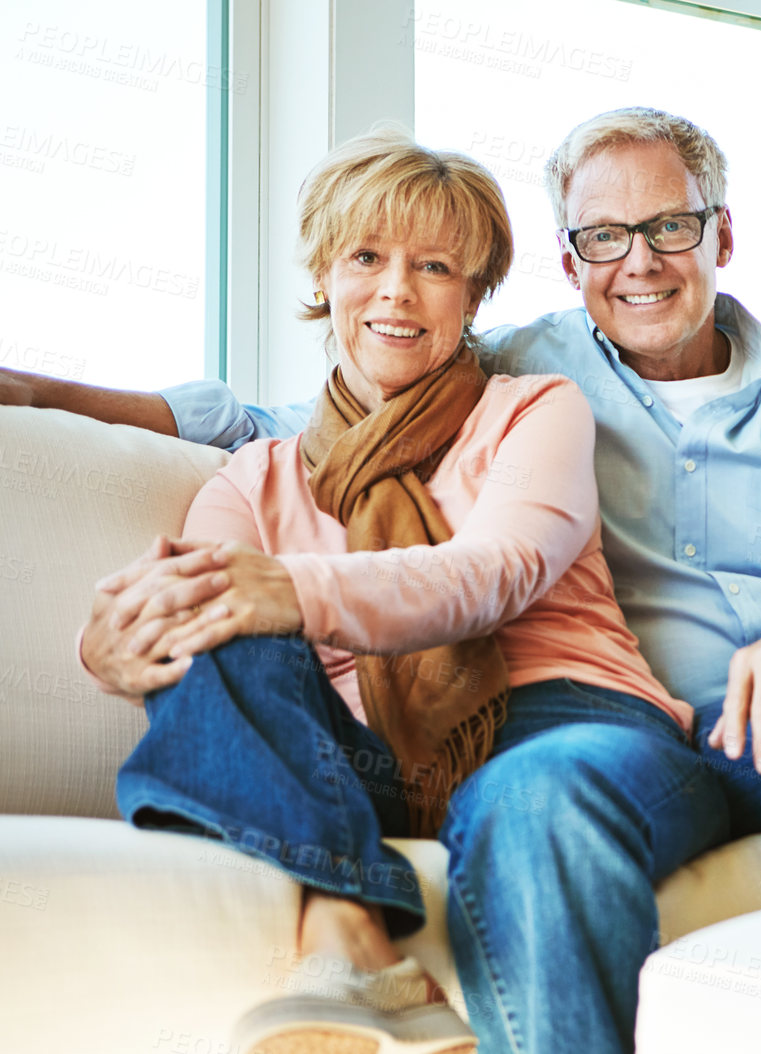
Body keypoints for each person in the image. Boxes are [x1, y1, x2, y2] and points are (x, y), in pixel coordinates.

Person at [26, 107, 761, 1041]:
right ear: (569, 257)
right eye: (603, 238)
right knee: (257, 635)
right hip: (645, 727)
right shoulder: (519, 366)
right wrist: (60, 400)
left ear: (721, 237)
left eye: (670, 229)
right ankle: (347, 923)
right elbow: (330, 415)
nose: (638, 263)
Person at [75, 128, 713, 1053]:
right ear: (325, 276)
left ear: (475, 294)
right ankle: (352, 934)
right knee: (220, 621)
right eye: (366, 257)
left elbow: (493, 573)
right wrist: (117, 645)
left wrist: (285, 588)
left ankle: (339, 921)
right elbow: (199, 627)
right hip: (370, 772)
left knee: (532, 794)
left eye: (436, 266)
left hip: (574, 728)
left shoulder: (534, 410)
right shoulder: (250, 479)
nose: (396, 291)